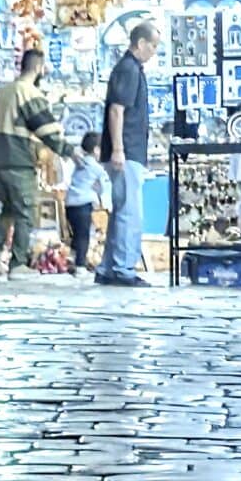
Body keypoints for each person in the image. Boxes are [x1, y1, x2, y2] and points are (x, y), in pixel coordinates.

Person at [0, 46, 75, 275]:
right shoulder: (29, 94)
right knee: (25, 211)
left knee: (7, 208)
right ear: (37, 67)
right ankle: (18, 264)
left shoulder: (0, 93)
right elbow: (45, 128)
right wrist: (68, 150)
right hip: (17, 160)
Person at [97, 20, 159, 288]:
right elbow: (116, 110)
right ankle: (122, 268)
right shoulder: (129, 70)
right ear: (141, 43)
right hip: (127, 151)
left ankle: (109, 266)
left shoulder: (131, 69)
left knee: (123, 209)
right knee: (129, 213)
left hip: (129, 150)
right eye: (153, 45)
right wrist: (119, 149)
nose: (154, 51)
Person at [65, 133, 109, 277]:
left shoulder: (79, 164)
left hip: (70, 203)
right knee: (84, 235)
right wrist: (104, 201)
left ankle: (72, 257)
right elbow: (104, 188)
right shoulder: (97, 168)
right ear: (97, 150)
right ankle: (80, 266)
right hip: (83, 204)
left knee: (76, 234)